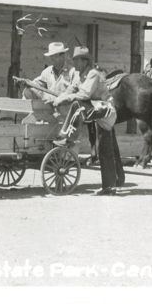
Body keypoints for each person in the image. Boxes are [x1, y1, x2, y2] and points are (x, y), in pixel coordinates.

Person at [49, 46, 124, 195]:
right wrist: (59, 98)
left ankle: (66, 136)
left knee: (78, 105)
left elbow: (84, 94)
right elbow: (71, 89)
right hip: (96, 110)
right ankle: (110, 186)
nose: (74, 63)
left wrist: (65, 98)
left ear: (84, 61)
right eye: (74, 60)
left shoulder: (93, 74)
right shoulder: (79, 75)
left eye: (76, 60)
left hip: (105, 111)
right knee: (105, 150)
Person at [20, 42, 80, 108]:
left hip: (65, 107)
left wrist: (60, 98)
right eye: (51, 56)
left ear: (63, 56)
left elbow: (73, 89)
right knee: (28, 91)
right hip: (49, 106)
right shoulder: (47, 71)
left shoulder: (73, 72)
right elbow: (37, 84)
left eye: (55, 56)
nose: (52, 59)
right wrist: (27, 83)